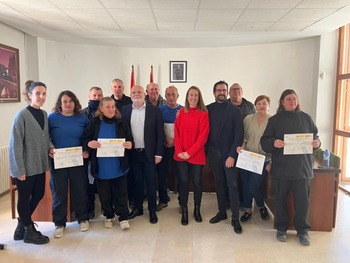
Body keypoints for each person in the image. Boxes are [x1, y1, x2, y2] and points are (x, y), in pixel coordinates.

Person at [260, 89, 320, 246]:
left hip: (302, 169)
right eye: (288, 99)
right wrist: (273, 142)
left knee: (302, 202)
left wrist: (317, 143)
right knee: (280, 201)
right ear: (282, 102)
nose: (292, 101)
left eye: (294, 98)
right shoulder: (274, 120)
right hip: (281, 169)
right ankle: (281, 229)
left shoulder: (306, 118)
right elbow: (264, 141)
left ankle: (303, 231)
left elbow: (316, 138)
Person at [9, 81, 50, 245]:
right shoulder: (22, 115)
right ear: (29, 95)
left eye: (44, 94)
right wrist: (19, 169)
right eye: (38, 93)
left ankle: (21, 226)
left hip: (39, 165)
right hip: (25, 166)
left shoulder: (44, 114)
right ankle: (28, 230)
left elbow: (45, 138)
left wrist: (51, 148)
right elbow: (16, 144)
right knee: (24, 198)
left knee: (39, 193)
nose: (41, 97)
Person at [83, 97, 134, 230]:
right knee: (104, 194)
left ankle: (123, 217)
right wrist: (89, 143)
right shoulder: (94, 123)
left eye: (113, 106)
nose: (111, 109)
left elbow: (130, 140)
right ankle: (109, 216)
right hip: (101, 166)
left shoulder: (121, 122)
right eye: (108, 107)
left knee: (121, 193)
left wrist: (130, 144)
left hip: (118, 165)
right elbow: (86, 139)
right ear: (101, 108)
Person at [49, 90, 90, 238]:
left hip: (77, 161)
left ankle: (83, 218)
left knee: (80, 190)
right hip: (58, 161)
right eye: (65, 101)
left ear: (75, 103)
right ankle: (59, 223)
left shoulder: (82, 118)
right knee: (59, 192)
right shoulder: (52, 118)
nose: (68, 104)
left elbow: (88, 137)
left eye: (71, 101)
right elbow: (46, 137)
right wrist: (50, 148)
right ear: (60, 103)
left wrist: (86, 150)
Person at [121, 85, 164, 224]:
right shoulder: (125, 110)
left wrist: (159, 153)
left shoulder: (154, 110)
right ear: (130, 94)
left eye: (139, 92)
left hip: (149, 153)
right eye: (133, 92)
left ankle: (152, 210)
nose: (136, 94)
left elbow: (160, 134)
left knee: (151, 182)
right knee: (136, 182)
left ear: (144, 93)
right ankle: (138, 208)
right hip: (133, 153)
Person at [206, 81, 244, 234]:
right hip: (214, 154)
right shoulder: (207, 109)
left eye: (224, 90)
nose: (221, 92)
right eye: (218, 90)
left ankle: (235, 218)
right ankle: (222, 212)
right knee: (219, 184)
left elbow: (239, 135)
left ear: (227, 93)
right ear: (214, 93)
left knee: (233, 185)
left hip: (230, 155)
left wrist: (232, 156)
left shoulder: (235, 111)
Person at [174, 86, 209, 225]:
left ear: (199, 97)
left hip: (196, 155)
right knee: (183, 182)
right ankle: (184, 210)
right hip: (181, 155)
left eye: (196, 95)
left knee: (197, 183)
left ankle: (197, 209)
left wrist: (189, 152)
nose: (193, 97)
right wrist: (180, 151)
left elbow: (203, 137)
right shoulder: (181, 112)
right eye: (191, 95)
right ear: (187, 97)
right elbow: (176, 133)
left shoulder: (203, 114)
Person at [236, 95, 271, 224]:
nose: (262, 106)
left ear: (268, 106)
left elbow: (275, 143)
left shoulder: (273, 121)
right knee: (246, 184)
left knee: (253, 185)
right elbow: (243, 138)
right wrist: (241, 148)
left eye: (264, 103)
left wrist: (271, 162)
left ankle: (261, 206)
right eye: (259, 103)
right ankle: (247, 210)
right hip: (247, 157)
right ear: (255, 106)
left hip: (264, 159)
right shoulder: (248, 119)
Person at [228, 83, 256, 209]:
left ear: (242, 92)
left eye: (238, 89)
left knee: (244, 177)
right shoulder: (225, 105)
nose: (236, 91)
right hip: (230, 146)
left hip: (247, 147)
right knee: (231, 177)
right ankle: (230, 201)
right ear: (229, 92)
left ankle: (245, 202)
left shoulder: (250, 106)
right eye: (233, 90)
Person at [156, 86, 183, 211]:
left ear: (178, 95)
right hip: (164, 147)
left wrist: (175, 141)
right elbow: (156, 129)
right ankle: (163, 199)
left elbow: (187, 131)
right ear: (165, 96)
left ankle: (182, 202)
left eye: (173, 94)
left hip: (179, 148)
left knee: (181, 175)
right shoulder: (159, 110)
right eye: (168, 95)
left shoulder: (184, 110)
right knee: (162, 174)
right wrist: (165, 140)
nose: (171, 97)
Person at [81, 86, 103, 219]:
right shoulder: (82, 113)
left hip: (103, 154)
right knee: (89, 184)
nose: (97, 98)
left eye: (99, 95)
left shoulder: (105, 112)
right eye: (94, 95)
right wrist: (87, 149)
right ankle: (90, 209)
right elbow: (82, 135)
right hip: (89, 155)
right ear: (89, 96)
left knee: (102, 182)